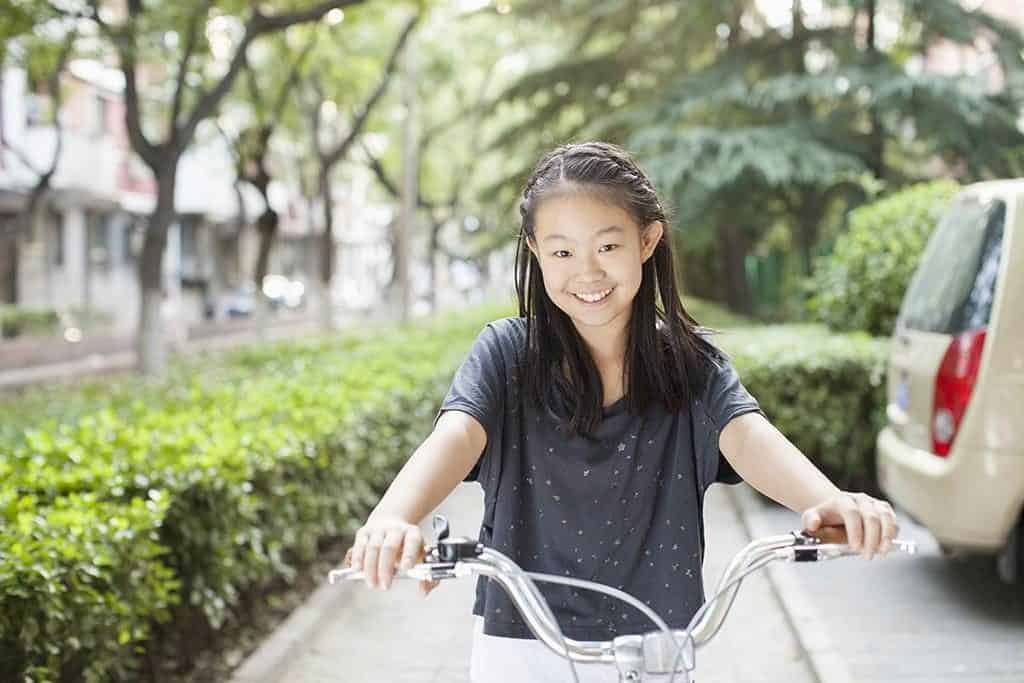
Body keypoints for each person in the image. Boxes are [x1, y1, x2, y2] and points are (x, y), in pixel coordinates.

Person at [345, 141, 899, 682]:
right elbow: (457, 435)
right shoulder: (506, 354)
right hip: (519, 646)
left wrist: (831, 503)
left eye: (607, 247)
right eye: (562, 251)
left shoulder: (693, 366)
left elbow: (747, 437)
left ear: (648, 240)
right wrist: (392, 518)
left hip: (655, 646)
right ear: (535, 251)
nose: (586, 272)